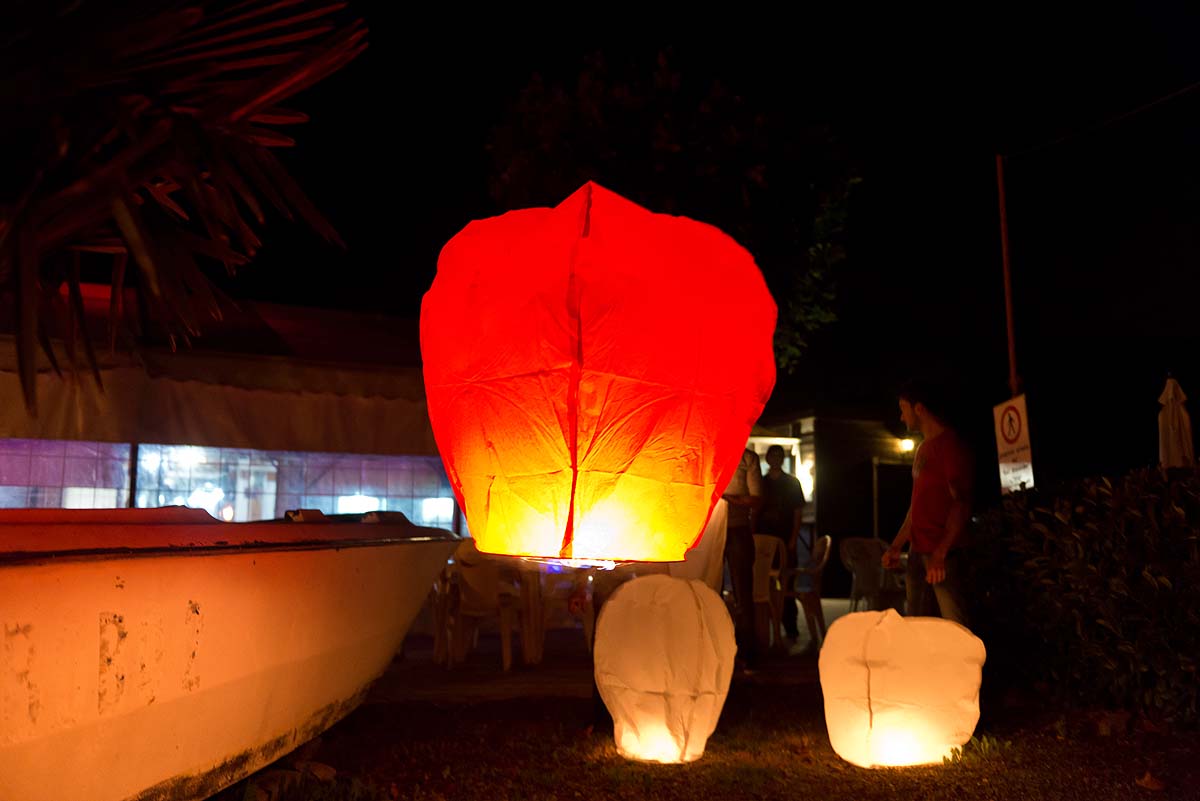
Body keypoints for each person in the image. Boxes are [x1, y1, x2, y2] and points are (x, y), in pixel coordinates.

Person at [882, 380, 973, 627]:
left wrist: (941, 553)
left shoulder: (949, 446)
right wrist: (896, 546)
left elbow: (961, 503)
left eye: (903, 408)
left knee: (954, 627)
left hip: (942, 556)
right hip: (918, 551)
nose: (901, 417)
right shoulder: (922, 449)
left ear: (919, 408)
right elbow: (917, 506)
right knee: (916, 625)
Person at [758, 444, 807, 642]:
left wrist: (793, 538)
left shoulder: (792, 483)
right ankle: (766, 627)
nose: (776, 459)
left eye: (780, 456)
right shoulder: (761, 483)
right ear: (767, 459)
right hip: (764, 540)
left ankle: (790, 627)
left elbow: (797, 512)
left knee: (787, 583)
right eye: (773, 456)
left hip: (785, 539)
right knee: (763, 584)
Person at [722, 447, 764, 668]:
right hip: (710, 530)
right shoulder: (708, 449)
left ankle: (748, 653)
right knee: (707, 589)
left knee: (743, 593)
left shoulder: (747, 457)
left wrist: (731, 500)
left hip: (737, 528)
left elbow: (757, 499)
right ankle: (714, 651)